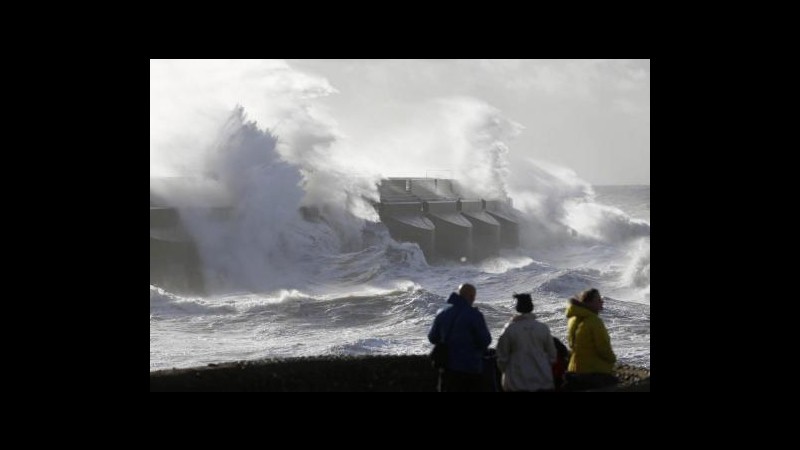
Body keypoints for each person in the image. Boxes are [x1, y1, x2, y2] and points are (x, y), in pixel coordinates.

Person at [428, 283, 492, 392]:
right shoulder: (474, 315)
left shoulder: (442, 313)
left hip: (447, 368)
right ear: (472, 297)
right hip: (470, 368)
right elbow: (485, 340)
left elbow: (432, 337)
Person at [496, 293, 558, 392]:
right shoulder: (542, 328)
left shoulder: (510, 329)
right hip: (542, 380)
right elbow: (552, 355)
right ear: (531, 306)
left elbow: (502, 357)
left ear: (517, 307)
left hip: (517, 382)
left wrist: (506, 372)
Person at [563, 288, 618, 391]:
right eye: (598, 300)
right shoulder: (594, 321)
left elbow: (572, 344)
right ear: (589, 303)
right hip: (593, 372)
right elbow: (603, 348)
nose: (602, 301)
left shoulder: (573, 319)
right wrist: (612, 360)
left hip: (574, 369)